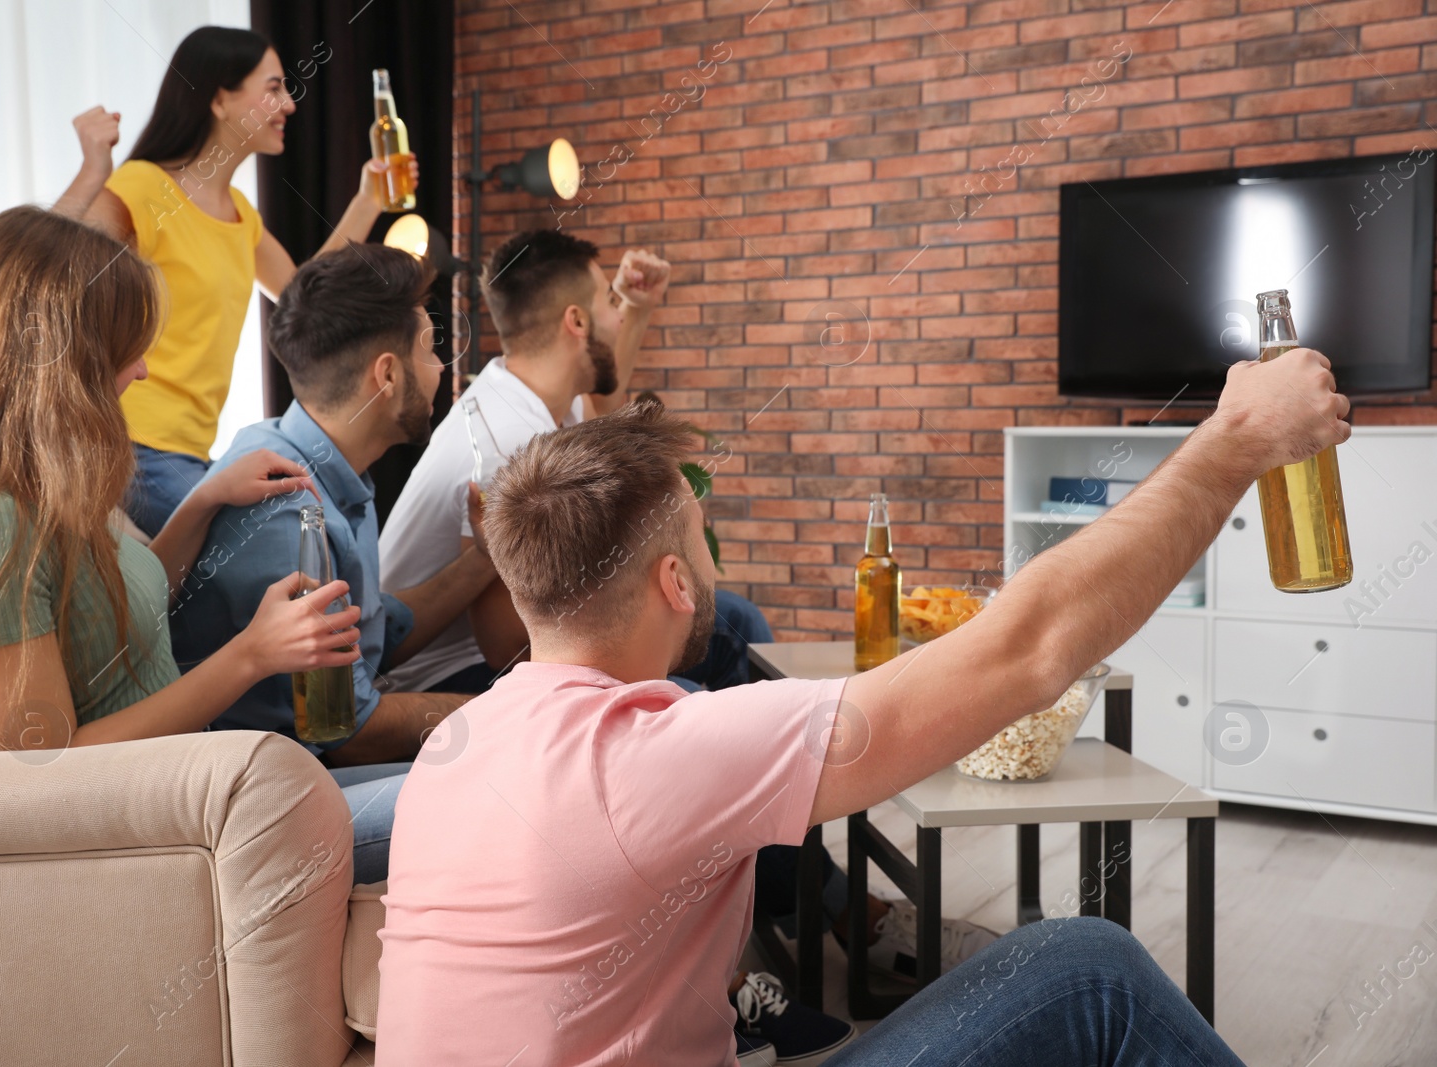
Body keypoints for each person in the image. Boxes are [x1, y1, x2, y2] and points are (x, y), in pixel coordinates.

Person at [377, 351, 1352, 1063]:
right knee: (1086, 963)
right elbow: (1029, 648)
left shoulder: (462, 740)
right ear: (674, 580)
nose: (715, 554)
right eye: (704, 531)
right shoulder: (661, 753)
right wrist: (1234, 442)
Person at [0, 205, 400, 883]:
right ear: (61, 360)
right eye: (126, 348)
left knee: (483, 775)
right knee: (475, 800)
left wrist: (203, 500)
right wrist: (250, 656)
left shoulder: (54, 481)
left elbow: (128, 594)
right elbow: (47, 762)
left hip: (211, 787)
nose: (144, 370)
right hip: (167, 832)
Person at [54, 25, 418, 536]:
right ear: (220, 100)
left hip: (186, 455)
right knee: (276, 539)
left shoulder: (239, 215)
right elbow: (51, 266)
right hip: (133, 448)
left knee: (306, 532)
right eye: (273, 88)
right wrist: (94, 168)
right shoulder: (145, 188)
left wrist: (367, 203)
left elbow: (304, 296)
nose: (289, 105)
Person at [378, 228, 767, 695]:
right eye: (609, 300)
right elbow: (508, 647)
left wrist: (637, 305)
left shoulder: (521, 389)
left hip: (498, 653)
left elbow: (601, 410)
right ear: (577, 321)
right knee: (687, 695)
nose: (617, 316)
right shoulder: (508, 446)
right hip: (445, 674)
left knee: (734, 621)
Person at [171, 244, 490, 783]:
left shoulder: (318, 460)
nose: (443, 371)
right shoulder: (287, 510)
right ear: (387, 376)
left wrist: (485, 558)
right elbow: (346, 732)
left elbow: (372, 635)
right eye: (433, 351)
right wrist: (511, 710)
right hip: (267, 785)